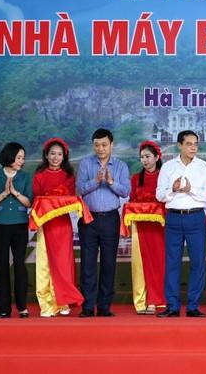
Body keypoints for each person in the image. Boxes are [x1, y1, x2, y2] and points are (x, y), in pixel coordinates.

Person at [156, 130, 206, 318]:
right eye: (189, 144)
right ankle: (172, 306)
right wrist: (172, 190)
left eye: (195, 144)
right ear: (179, 145)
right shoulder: (167, 167)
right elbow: (159, 195)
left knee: (198, 263)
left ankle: (193, 306)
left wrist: (191, 190)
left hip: (196, 217)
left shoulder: (204, 167)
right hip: (173, 217)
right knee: (172, 263)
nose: (193, 148)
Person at [76, 128, 131, 317]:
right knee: (88, 264)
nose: (100, 149)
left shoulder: (121, 166)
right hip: (88, 219)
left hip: (110, 219)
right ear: (93, 145)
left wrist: (111, 181)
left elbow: (125, 191)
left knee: (109, 263)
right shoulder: (85, 164)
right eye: (97, 145)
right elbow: (80, 189)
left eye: (104, 145)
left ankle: (105, 306)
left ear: (111, 145)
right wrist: (96, 181)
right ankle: (88, 306)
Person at [32, 138, 84, 317]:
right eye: (52, 154)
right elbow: (35, 201)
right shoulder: (39, 176)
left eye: (59, 154)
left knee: (63, 263)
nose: (55, 157)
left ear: (64, 156)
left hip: (62, 225)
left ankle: (63, 302)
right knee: (45, 263)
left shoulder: (68, 175)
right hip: (45, 224)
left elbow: (69, 200)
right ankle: (47, 304)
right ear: (46, 155)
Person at [0, 142, 33, 318]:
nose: (21, 161)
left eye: (22, 158)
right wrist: (4, 194)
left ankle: (22, 307)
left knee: (20, 265)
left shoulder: (25, 177)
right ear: (10, 156)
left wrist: (15, 192)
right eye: (19, 157)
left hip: (20, 225)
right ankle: (3, 309)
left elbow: (29, 202)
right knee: (1, 265)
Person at [126, 141, 166, 315]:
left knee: (159, 263)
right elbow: (132, 200)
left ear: (157, 157)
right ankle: (141, 300)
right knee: (141, 263)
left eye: (148, 156)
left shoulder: (164, 176)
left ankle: (157, 300)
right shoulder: (136, 178)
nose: (145, 160)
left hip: (160, 227)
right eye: (142, 157)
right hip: (141, 227)